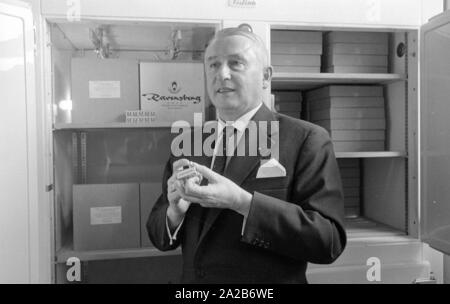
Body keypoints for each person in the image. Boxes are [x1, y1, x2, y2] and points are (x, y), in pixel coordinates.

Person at [147, 25, 346, 284]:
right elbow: (158, 234)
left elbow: (328, 241)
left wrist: (242, 202)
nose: (222, 74)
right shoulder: (188, 143)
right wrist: (175, 213)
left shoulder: (306, 140)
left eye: (236, 63)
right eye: (213, 65)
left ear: (265, 76)